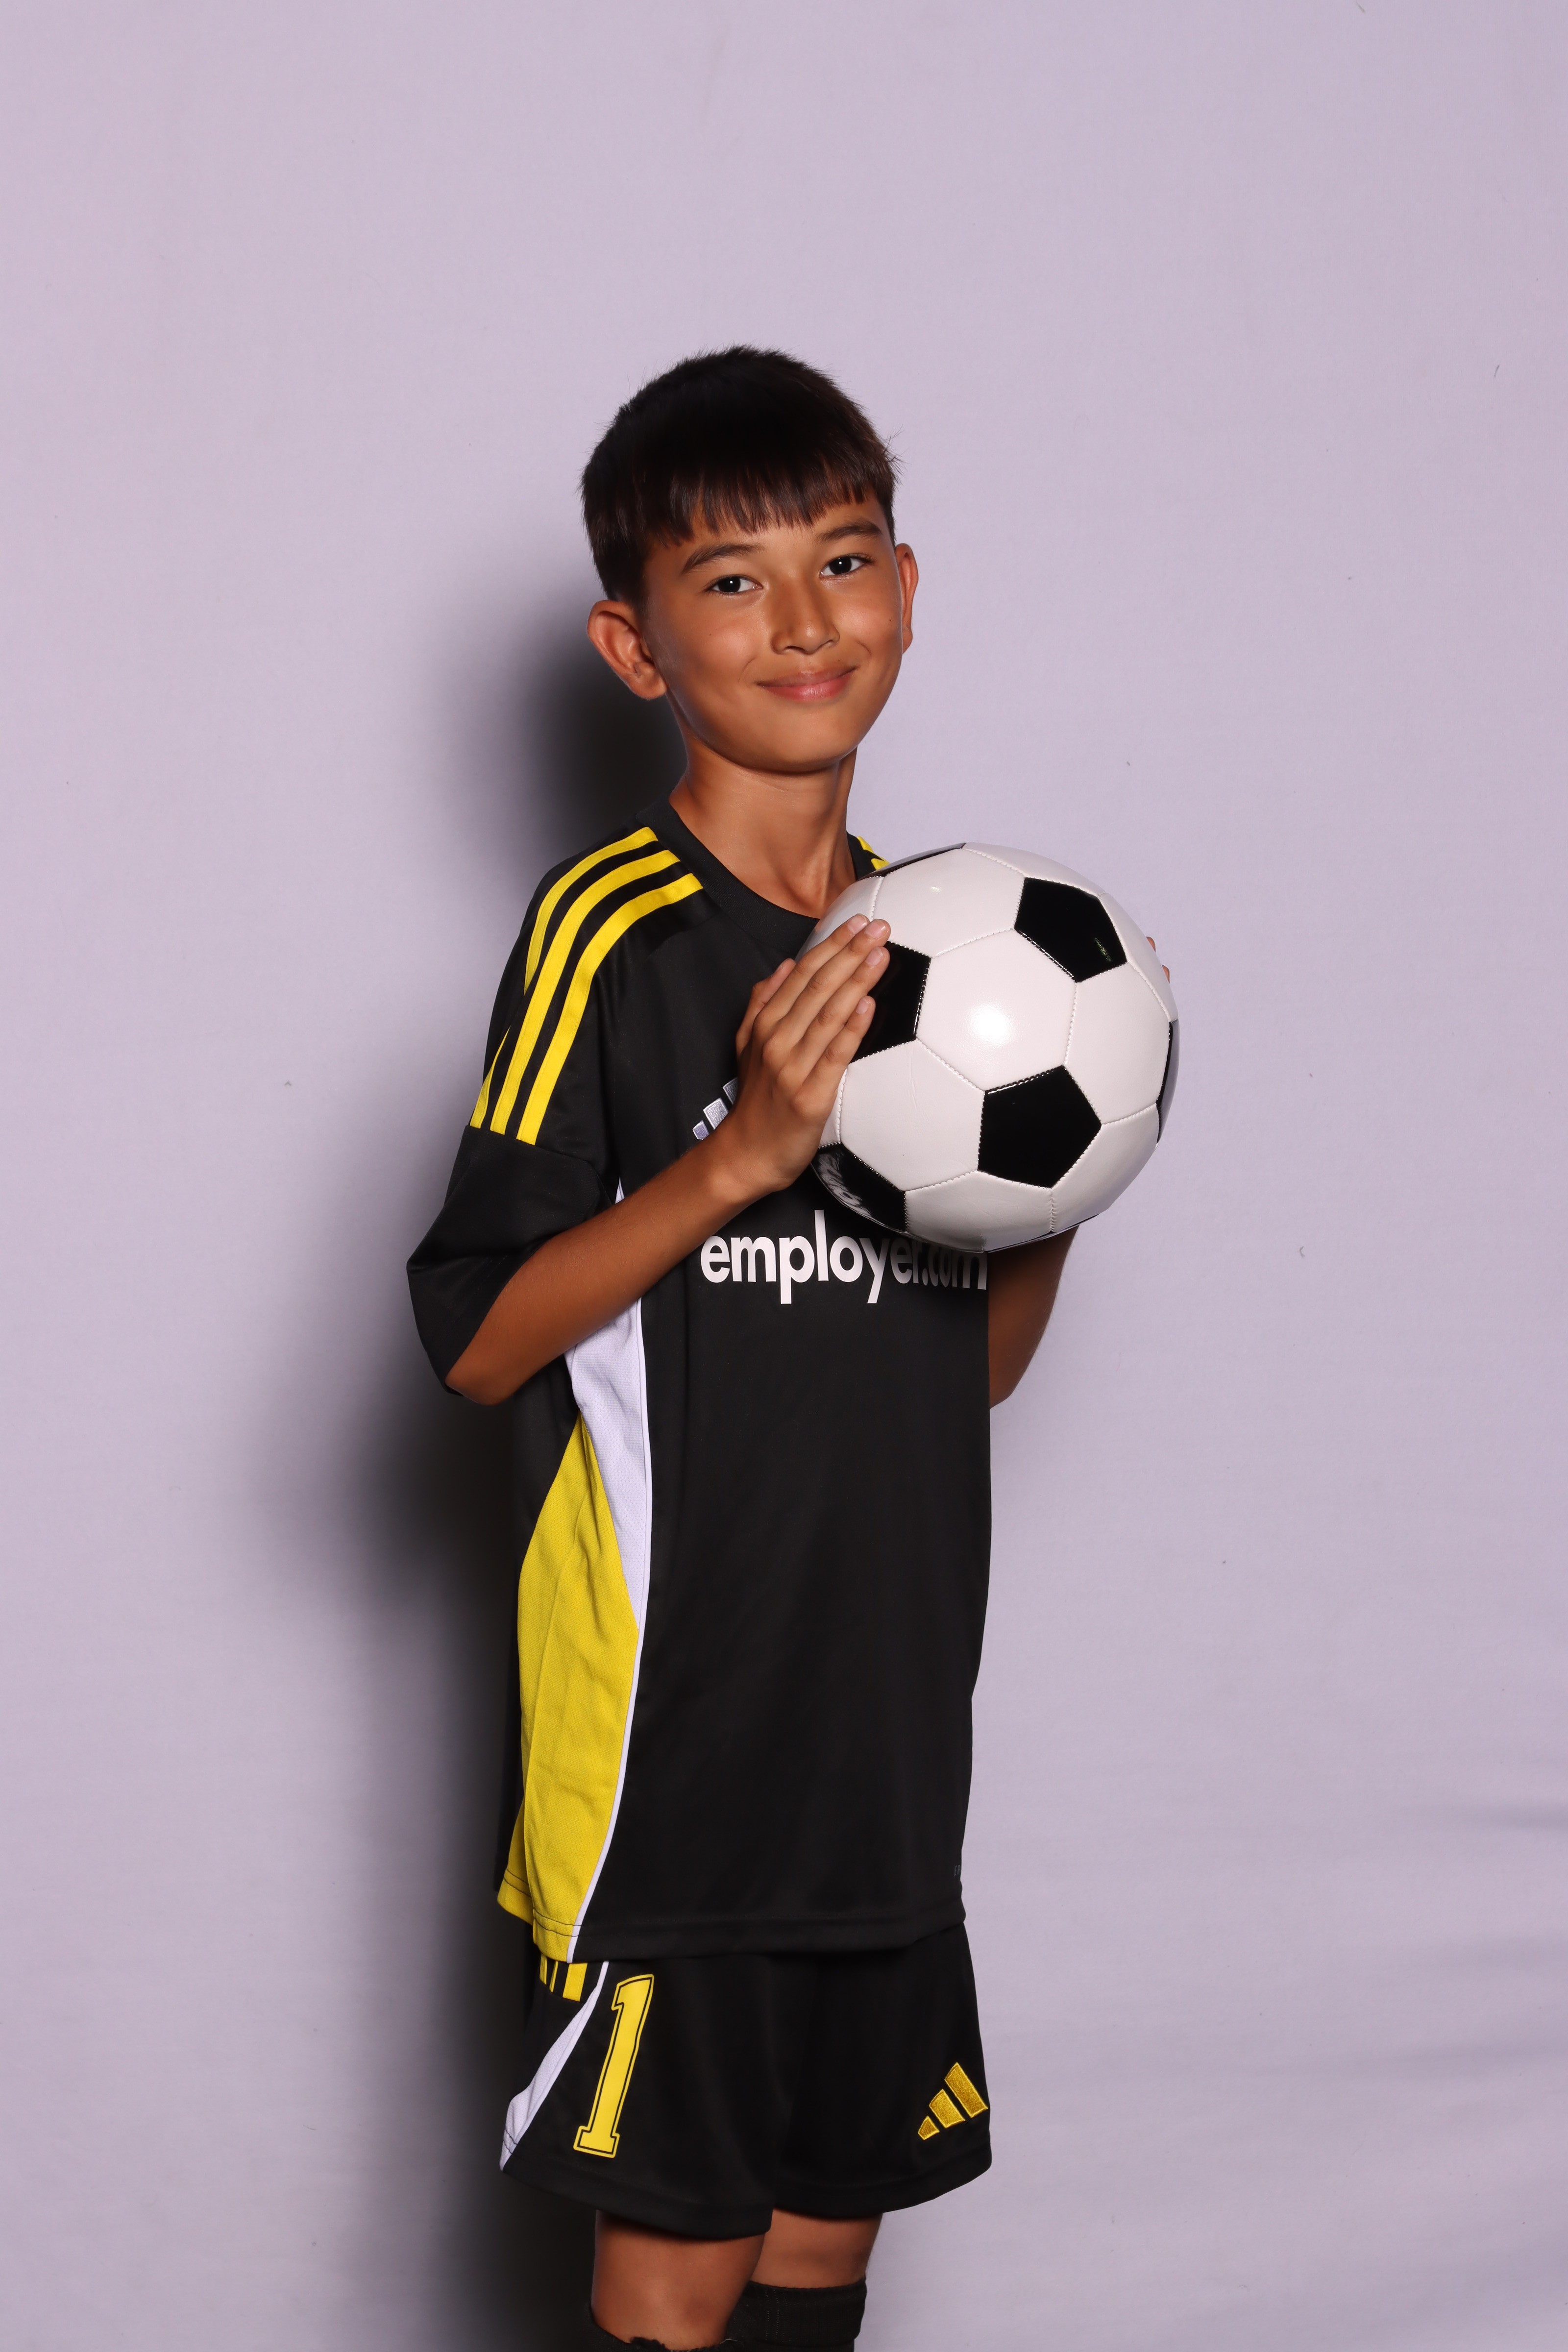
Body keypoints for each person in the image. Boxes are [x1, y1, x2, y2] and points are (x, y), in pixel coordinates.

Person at [408, 348, 1076, 2352]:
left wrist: (1051, 1176)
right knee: (677, 2280)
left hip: (882, 1759)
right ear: (635, 646)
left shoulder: (961, 961)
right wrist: (742, 1160)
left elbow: (966, 1373)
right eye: (730, 579)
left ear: (907, 588)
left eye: (844, 559)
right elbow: (476, 1337)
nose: (803, 618)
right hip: (673, 1770)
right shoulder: (610, 934)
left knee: (813, 2258)